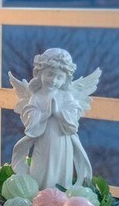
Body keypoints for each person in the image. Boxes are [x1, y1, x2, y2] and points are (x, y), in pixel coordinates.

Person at [9, 48, 100, 190]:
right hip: (43, 138)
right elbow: (29, 113)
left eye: (59, 77)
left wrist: (57, 113)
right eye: (49, 74)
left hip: (62, 139)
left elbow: (73, 114)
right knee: (40, 166)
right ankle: (39, 197)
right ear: (40, 73)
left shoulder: (66, 95)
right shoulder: (37, 96)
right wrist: (45, 114)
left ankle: (60, 199)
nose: (53, 80)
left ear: (66, 79)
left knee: (60, 168)